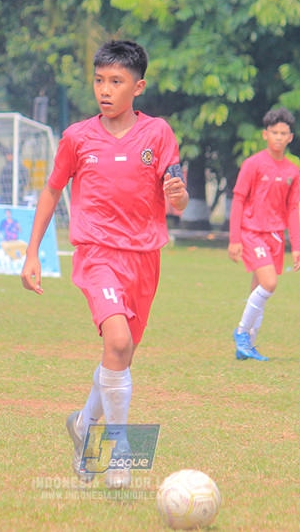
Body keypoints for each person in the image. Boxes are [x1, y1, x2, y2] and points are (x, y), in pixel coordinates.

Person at [21, 40, 188, 488]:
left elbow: (179, 195)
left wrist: (179, 196)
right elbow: (52, 190)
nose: (105, 90)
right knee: (115, 340)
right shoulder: (77, 137)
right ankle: (117, 450)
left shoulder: (158, 134)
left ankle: (83, 424)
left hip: (144, 260)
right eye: (99, 80)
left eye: (116, 81)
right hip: (96, 255)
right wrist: (34, 250)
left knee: (121, 354)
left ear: (139, 87)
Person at [227, 107, 300, 362]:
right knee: (269, 283)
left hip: (275, 237)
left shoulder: (293, 171)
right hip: (252, 233)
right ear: (265, 134)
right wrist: (235, 239)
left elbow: (292, 209)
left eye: (284, 133)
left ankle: (247, 344)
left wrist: (297, 247)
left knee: (258, 289)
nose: (279, 137)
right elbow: (238, 200)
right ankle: (240, 333)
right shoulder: (253, 164)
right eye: (274, 133)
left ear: (290, 137)